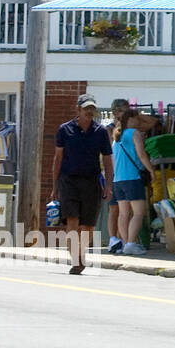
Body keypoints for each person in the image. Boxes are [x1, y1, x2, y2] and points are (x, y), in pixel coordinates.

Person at [52, 95, 114, 274]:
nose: (89, 112)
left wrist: (108, 185)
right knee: (72, 219)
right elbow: (58, 158)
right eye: (86, 108)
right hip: (68, 180)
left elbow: (108, 160)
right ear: (77, 109)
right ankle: (77, 260)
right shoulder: (65, 130)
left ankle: (81, 253)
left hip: (91, 181)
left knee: (88, 224)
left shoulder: (100, 131)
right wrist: (55, 186)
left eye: (92, 108)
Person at [111, 108, 156, 256]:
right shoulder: (134, 134)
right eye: (138, 119)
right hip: (132, 178)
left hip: (118, 180)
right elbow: (141, 155)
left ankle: (125, 243)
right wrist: (151, 170)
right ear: (131, 119)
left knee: (123, 214)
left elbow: (113, 161)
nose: (139, 122)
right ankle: (131, 243)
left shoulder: (116, 137)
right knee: (138, 213)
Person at [105, 99, 130, 254]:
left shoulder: (129, 128)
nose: (126, 114)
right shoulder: (109, 130)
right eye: (123, 111)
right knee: (114, 209)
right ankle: (113, 238)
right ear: (115, 112)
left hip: (124, 172)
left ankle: (121, 239)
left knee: (125, 210)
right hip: (113, 173)